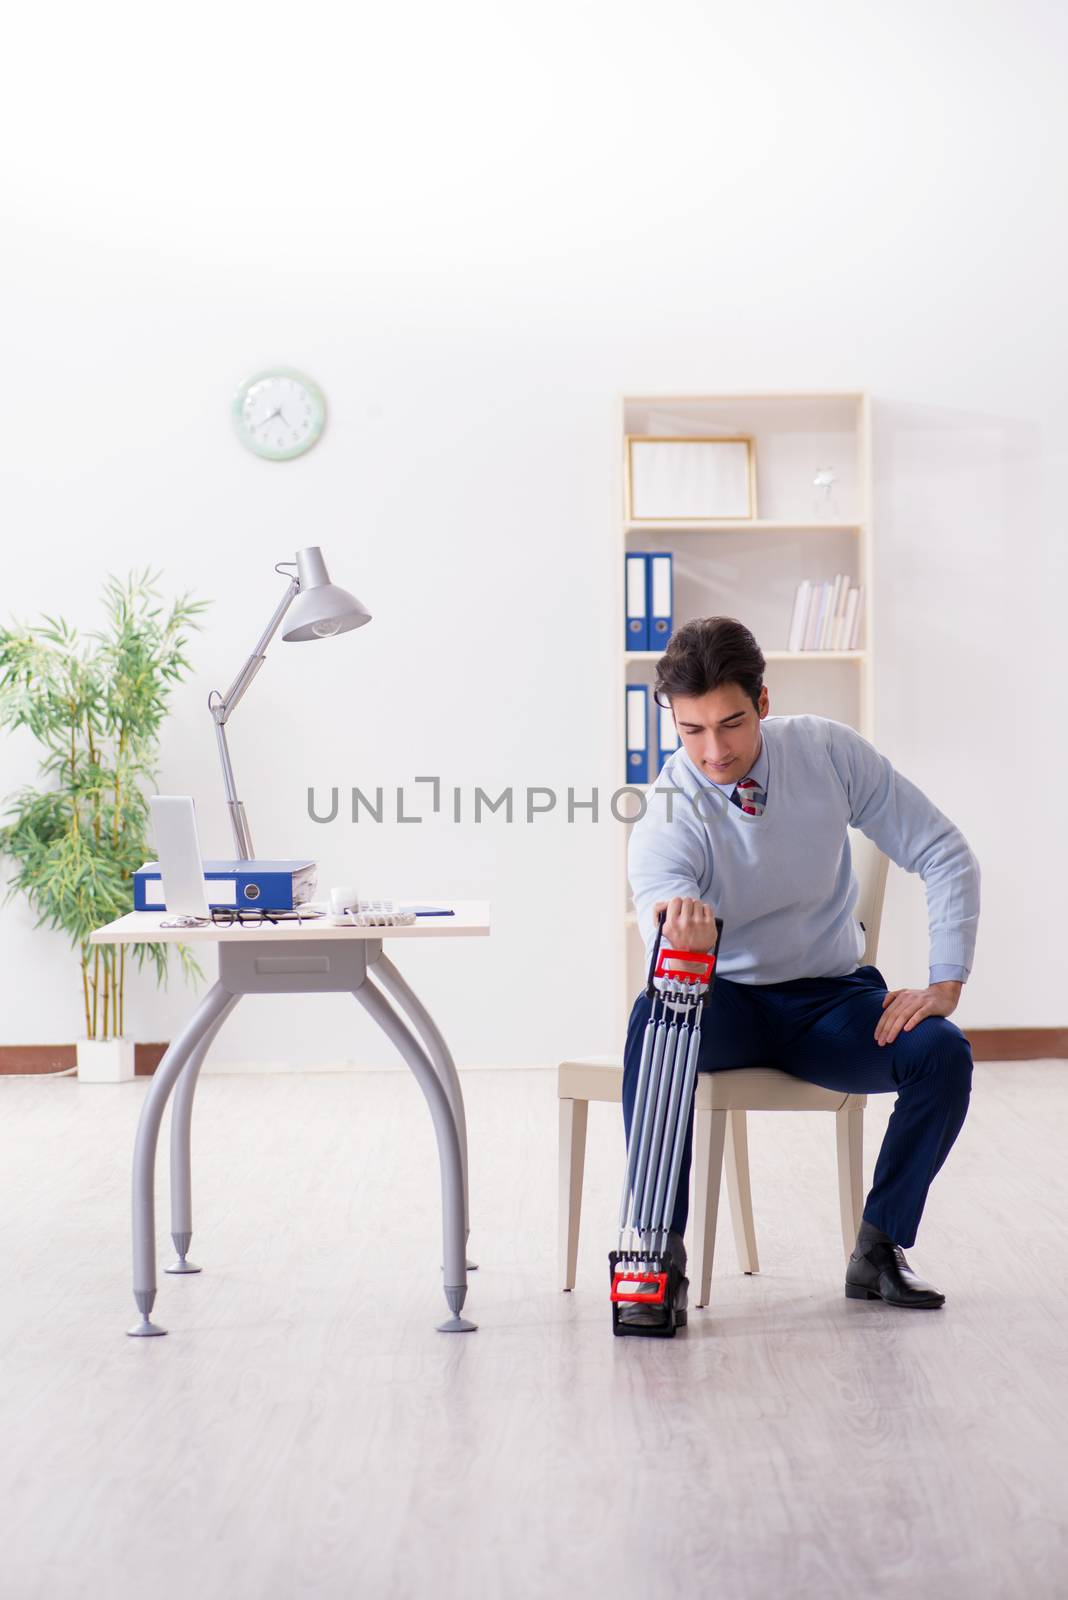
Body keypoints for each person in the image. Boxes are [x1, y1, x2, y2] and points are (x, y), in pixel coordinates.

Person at [622, 616, 979, 1326]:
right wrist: (678, 934)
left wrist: (944, 981)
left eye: (730, 723)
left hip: (831, 1004)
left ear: (763, 700)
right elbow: (657, 921)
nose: (713, 751)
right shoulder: (667, 807)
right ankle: (657, 1256)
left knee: (942, 1054)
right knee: (657, 1015)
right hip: (725, 1003)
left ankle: (879, 1250)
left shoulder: (825, 751)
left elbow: (943, 850)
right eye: (691, 730)